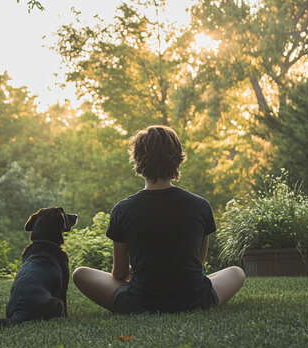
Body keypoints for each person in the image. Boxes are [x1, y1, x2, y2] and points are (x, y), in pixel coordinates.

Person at [72, 125, 245, 314]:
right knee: (236, 272)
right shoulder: (200, 205)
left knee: (80, 274)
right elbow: (198, 263)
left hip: (139, 305)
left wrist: (140, 270)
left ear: (137, 160)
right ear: (178, 159)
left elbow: (119, 274)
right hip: (197, 301)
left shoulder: (122, 210)